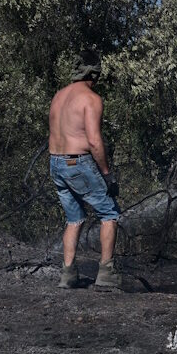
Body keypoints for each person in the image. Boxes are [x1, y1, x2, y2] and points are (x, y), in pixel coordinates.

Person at [48, 49, 121, 290]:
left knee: (74, 218)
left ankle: (67, 274)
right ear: (95, 74)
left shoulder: (59, 96)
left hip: (56, 163)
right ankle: (106, 273)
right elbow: (94, 141)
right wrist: (107, 174)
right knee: (109, 214)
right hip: (77, 162)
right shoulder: (91, 99)